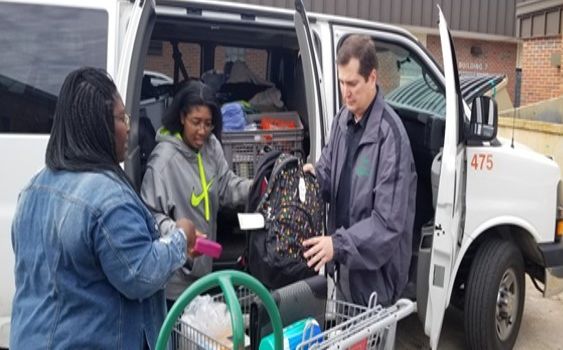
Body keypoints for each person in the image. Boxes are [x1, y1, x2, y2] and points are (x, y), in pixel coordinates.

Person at [10, 67, 202, 350]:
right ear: (97, 125)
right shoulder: (109, 199)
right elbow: (140, 274)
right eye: (121, 118)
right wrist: (180, 239)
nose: (129, 127)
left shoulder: (32, 189)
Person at [302, 35, 417, 307]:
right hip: (345, 269)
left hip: (375, 280)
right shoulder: (343, 120)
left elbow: (387, 224)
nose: (346, 92)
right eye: (342, 83)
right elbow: (329, 172)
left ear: (373, 77)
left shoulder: (391, 137)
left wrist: (337, 245)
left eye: (352, 83)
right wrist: (314, 178)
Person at [141, 80, 252, 305]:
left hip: (204, 274)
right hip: (174, 285)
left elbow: (226, 186)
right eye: (196, 122)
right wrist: (181, 234)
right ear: (182, 117)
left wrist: (258, 188)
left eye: (209, 123)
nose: (203, 131)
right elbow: (148, 216)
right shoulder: (163, 162)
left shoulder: (210, 147)